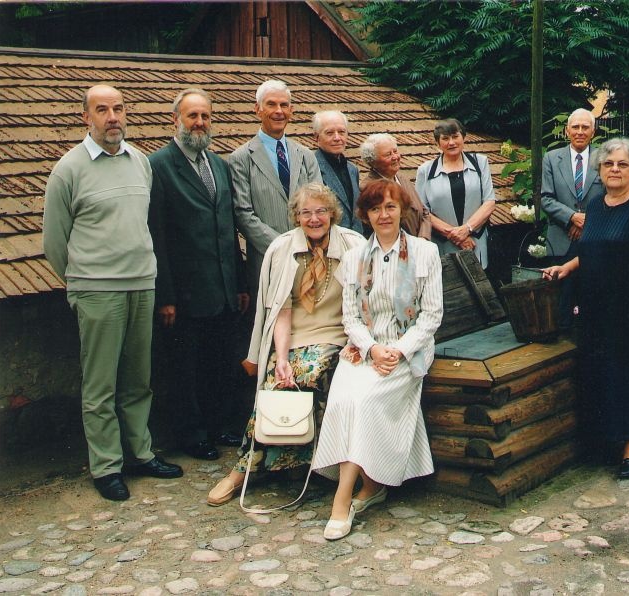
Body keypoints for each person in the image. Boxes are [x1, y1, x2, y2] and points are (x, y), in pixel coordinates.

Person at [43, 84, 182, 501]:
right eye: (102, 110)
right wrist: (84, 282)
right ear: (86, 117)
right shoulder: (69, 169)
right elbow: (55, 242)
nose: (112, 117)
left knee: (139, 379)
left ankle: (141, 454)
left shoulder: (139, 161)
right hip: (97, 291)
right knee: (100, 385)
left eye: (118, 108)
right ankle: (106, 467)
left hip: (141, 284)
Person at [207, 183, 365, 506]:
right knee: (275, 379)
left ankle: (302, 464)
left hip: (336, 334)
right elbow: (281, 310)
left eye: (321, 211)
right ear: (296, 216)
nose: (314, 219)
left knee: (310, 372)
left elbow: (365, 304)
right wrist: (280, 358)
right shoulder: (282, 248)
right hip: (293, 335)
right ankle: (245, 468)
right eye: (306, 213)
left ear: (332, 214)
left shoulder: (353, 245)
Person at [542, 138, 629, 480]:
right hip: (599, 309)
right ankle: (609, 438)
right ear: (599, 169)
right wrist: (567, 267)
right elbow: (591, 250)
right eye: (609, 164)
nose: (615, 169)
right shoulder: (595, 205)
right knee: (604, 373)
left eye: (622, 164)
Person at [312, 178, 443, 540]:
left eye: (390, 207)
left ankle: (342, 500)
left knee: (366, 401)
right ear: (365, 215)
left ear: (401, 210)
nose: (383, 215)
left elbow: (431, 315)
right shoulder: (355, 258)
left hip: (408, 350)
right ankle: (371, 486)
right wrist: (371, 349)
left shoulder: (425, 253)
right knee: (343, 399)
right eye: (375, 209)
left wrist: (397, 350)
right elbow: (350, 317)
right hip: (365, 350)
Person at [147, 88, 250, 461]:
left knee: (217, 362)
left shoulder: (219, 165)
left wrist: (239, 283)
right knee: (184, 369)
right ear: (175, 120)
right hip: (185, 293)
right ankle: (190, 436)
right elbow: (156, 235)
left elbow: (228, 228)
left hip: (222, 288)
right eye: (192, 116)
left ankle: (217, 425)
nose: (200, 123)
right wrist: (166, 296)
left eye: (205, 116)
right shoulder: (159, 166)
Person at [231, 79, 323, 297]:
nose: (279, 111)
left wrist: (307, 244)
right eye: (271, 104)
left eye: (284, 105)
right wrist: (283, 247)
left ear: (291, 110)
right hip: (267, 261)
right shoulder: (241, 158)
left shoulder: (306, 156)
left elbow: (320, 206)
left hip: (309, 260)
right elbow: (243, 214)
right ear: (258, 109)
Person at [541, 108, 604, 326]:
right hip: (561, 239)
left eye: (585, 127)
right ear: (567, 130)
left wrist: (586, 221)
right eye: (575, 127)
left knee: (593, 301)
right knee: (562, 305)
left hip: (595, 239)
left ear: (593, 131)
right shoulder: (551, 158)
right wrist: (572, 217)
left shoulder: (604, 159)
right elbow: (545, 198)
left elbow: (610, 197)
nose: (580, 131)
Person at [415, 118, 496, 268]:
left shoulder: (480, 163)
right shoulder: (425, 171)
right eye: (445, 138)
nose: (451, 142)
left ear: (463, 137)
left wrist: (467, 229)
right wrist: (456, 236)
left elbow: (489, 202)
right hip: (442, 246)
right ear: (438, 143)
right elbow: (422, 211)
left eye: (455, 136)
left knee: (479, 281)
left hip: (475, 243)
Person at [359, 133, 432, 240]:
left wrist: (423, 238)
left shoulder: (402, 179)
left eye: (395, 151)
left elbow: (424, 212)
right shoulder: (368, 188)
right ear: (373, 162)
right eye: (388, 154)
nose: (395, 157)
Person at [312, 110, 363, 234]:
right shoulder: (311, 168)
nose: (337, 138)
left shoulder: (352, 169)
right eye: (329, 133)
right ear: (316, 137)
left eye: (341, 132)